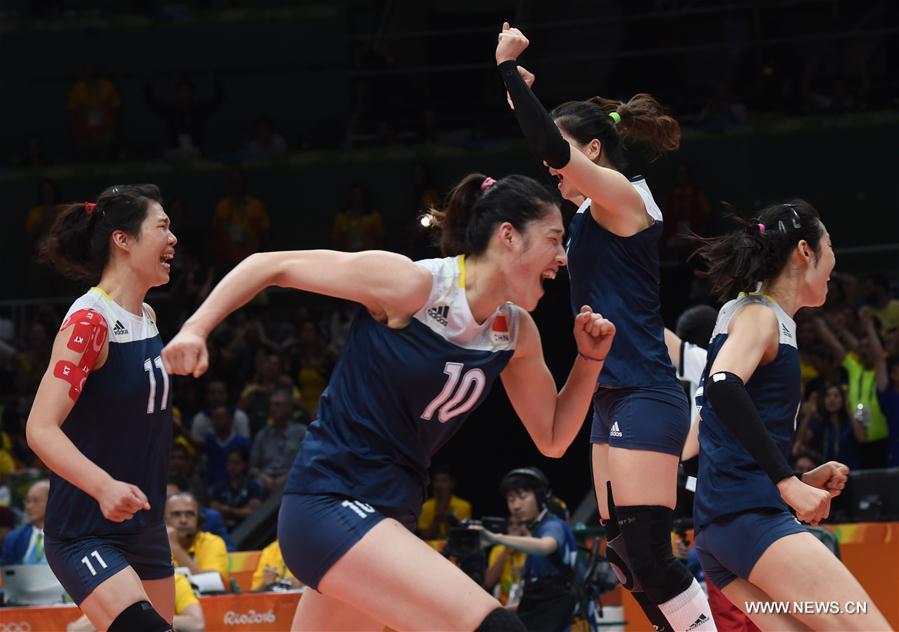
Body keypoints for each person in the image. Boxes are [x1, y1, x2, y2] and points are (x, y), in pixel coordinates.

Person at [163, 172, 616, 631]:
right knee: (497, 628)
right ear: (508, 236)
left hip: (390, 513)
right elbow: (269, 265)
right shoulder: (413, 285)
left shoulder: (515, 332)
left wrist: (589, 360)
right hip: (330, 500)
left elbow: (554, 438)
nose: (563, 257)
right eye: (554, 239)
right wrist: (195, 330)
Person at [495, 22, 714, 631]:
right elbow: (549, 146)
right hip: (608, 395)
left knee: (650, 554)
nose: (552, 173)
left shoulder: (625, 198)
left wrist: (509, 71)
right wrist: (518, 96)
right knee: (624, 561)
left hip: (646, 390)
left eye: (563, 158)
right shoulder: (590, 214)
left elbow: (551, 148)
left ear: (592, 151)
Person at [691, 200, 889, 629]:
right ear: (805, 251)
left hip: (724, 528)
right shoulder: (760, 315)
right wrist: (786, 483)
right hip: (748, 519)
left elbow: (723, 430)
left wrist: (796, 479)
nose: (834, 262)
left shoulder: (751, 314)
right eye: (829, 246)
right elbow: (723, 385)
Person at [26, 185, 178, 631]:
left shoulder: (147, 317)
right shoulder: (90, 320)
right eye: (163, 227)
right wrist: (104, 486)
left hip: (146, 527)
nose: (173, 239)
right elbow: (40, 428)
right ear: (123, 240)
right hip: (85, 531)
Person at [477, 468, 580, 632]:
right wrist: (496, 612)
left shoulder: (553, 526)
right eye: (511, 500)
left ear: (539, 497)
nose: (516, 506)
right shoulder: (536, 532)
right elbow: (537, 604)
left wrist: (496, 538)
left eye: (523, 497)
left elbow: (546, 546)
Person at [67, 573, 205, 632]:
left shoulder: (175, 580)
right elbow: (74, 629)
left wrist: (141, 620)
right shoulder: (112, 586)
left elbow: (197, 624)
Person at [165, 491, 229, 587]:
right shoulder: (154, 546)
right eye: (176, 514)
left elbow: (213, 582)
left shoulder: (212, 542)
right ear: (164, 519)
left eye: (190, 514)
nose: (183, 520)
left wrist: (175, 547)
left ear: (199, 518)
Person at [249, 388, 307, 492]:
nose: (273, 409)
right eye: (271, 405)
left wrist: (286, 478)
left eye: (278, 405)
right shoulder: (262, 435)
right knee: (255, 486)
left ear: (289, 408)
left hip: (292, 480)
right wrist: (265, 478)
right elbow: (253, 468)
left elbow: (306, 463)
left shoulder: (301, 432)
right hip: (266, 481)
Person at [208, 446, 265, 531]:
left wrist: (230, 511)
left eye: (236, 463)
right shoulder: (219, 487)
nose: (232, 467)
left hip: (247, 530)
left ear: (245, 464)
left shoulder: (253, 486)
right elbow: (213, 511)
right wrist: (240, 511)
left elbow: (253, 512)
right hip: (223, 530)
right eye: (229, 462)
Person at [417, 464, 472, 540]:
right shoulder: (425, 506)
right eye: (437, 481)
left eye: (444, 480)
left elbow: (461, 537)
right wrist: (438, 516)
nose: (440, 485)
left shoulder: (463, 506)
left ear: (452, 484)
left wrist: (446, 515)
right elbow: (425, 537)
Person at [0, 479, 49, 565]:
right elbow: (5, 567)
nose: (29, 506)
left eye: (35, 501)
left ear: (52, 503)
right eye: (27, 501)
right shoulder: (13, 538)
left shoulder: (68, 536)